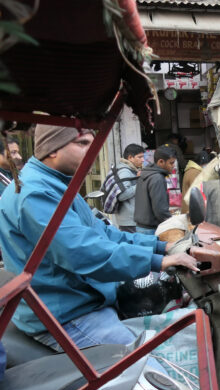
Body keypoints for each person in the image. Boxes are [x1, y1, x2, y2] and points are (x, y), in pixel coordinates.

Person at [0, 125, 198, 351]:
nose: (91, 150)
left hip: (81, 300)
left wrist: (164, 246)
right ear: (52, 149)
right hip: (67, 314)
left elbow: (104, 233)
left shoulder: (58, 184)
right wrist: (159, 261)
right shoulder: (36, 192)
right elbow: (82, 252)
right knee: (149, 368)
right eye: (82, 143)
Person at [134, 145, 177, 235]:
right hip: (151, 230)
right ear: (161, 162)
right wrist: (174, 224)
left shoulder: (146, 173)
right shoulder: (157, 178)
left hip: (141, 227)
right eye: (171, 163)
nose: (173, 166)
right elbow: (160, 210)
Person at [111, 144, 144, 233]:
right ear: (130, 157)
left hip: (130, 218)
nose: (143, 160)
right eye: (140, 157)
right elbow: (122, 195)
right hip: (129, 221)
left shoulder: (130, 169)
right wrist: (140, 183)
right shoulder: (125, 171)